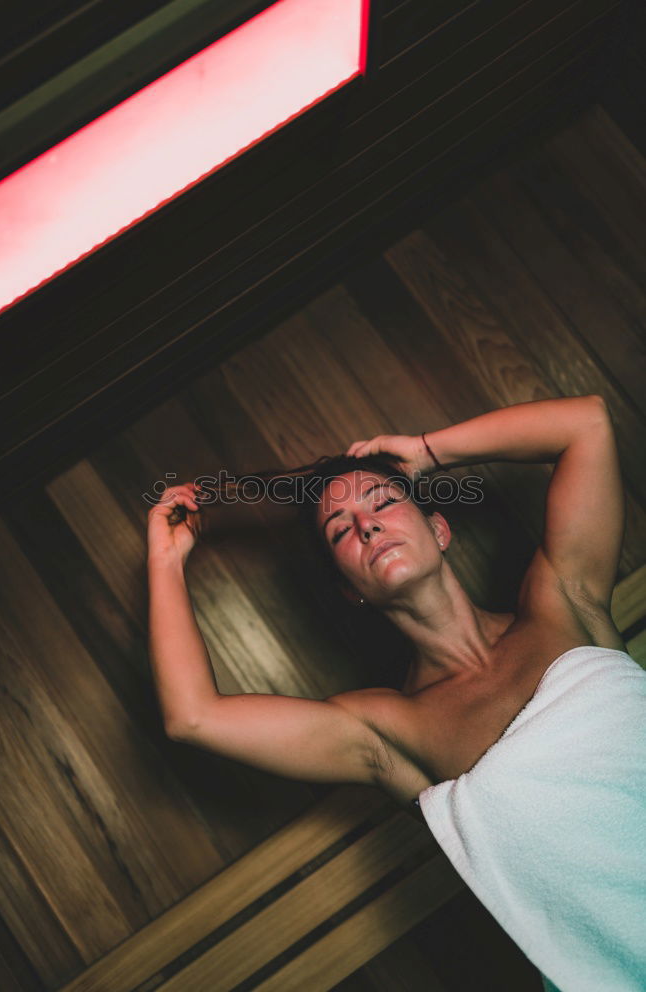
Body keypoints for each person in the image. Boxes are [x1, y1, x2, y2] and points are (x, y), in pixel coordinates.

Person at [146, 394, 646, 992]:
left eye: (383, 502)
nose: (366, 524)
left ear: (438, 529)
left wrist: (426, 451)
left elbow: (585, 423)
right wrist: (165, 560)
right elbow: (193, 718)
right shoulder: (385, 731)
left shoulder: (564, 600)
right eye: (341, 531)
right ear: (349, 589)